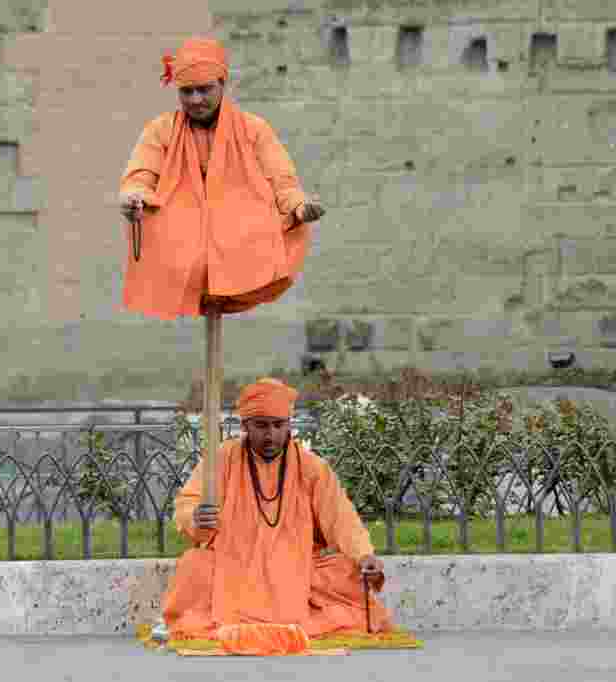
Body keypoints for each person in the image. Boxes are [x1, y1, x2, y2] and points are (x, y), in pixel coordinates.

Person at [161, 377, 396, 641]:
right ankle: (284, 624)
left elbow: (341, 518)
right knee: (194, 566)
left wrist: (364, 555)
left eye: (278, 425)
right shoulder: (222, 459)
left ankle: (251, 623)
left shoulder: (312, 467)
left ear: (289, 426)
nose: (270, 435)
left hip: (296, 568)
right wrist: (196, 516)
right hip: (235, 565)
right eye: (261, 426)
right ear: (246, 425)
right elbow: (188, 501)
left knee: (344, 570)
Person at [118, 37, 325, 320]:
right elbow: (141, 176)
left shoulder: (254, 129)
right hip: (180, 244)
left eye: (204, 90)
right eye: (186, 91)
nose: (195, 100)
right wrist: (134, 197)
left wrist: (300, 206)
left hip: (241, 241)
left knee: (277, 225)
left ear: (222, 85)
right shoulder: (160, 130)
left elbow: (282, 182)